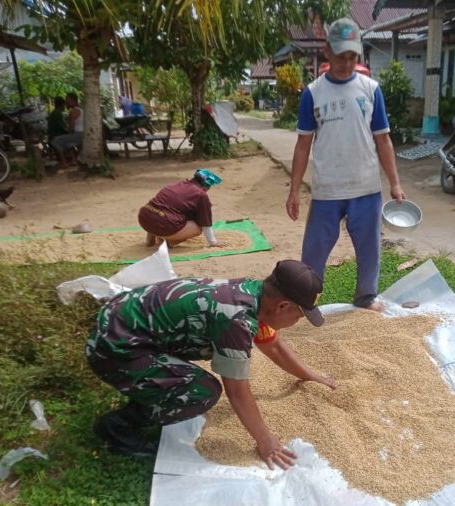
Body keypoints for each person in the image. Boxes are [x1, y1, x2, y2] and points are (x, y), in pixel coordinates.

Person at [86, 260, 337, 468]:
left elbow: (272, 346)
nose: (297, 320)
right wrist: (266, 441)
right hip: (114, 348)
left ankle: (147, 389)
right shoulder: (236, 320)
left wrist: (309, 375)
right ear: (282, 305)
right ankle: (117, 429)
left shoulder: (252, 293)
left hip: (123, 326)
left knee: (188, 372)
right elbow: (237, 393)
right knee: (202, 392)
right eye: (299, 315)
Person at [286, 17, 406, 312]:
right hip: (327, 188)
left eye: (353, 57)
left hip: (366, 187)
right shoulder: (313, 93)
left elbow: (383, 141)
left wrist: (395, 183)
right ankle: (306, 300)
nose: (347, 63)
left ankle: (366, 297)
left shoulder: (370, 89)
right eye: (341, 56)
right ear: (327, 52)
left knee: (369, 249)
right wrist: (293, 191)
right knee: (314, 251)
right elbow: (303, 144)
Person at [138, 169, 225, 248]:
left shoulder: (177, 185)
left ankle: (151, 238)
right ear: (207, 186)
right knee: (198, 228)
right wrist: (213, 242)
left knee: (159, 211)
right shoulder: (201, 194)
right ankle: (170, 241)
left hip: (144, 217)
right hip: (164, 224)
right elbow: (205, 223)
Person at [50, 92, 84, 168]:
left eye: (67, 100)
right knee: (67, 142)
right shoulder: (82, 110)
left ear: (73, 101)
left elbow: (71, 129)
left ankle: (64, 162)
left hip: (78, 135)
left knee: (56, 140)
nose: (66, 103)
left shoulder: (73, 111)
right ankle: (74, 160)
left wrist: (67, 133)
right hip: (82, 135)